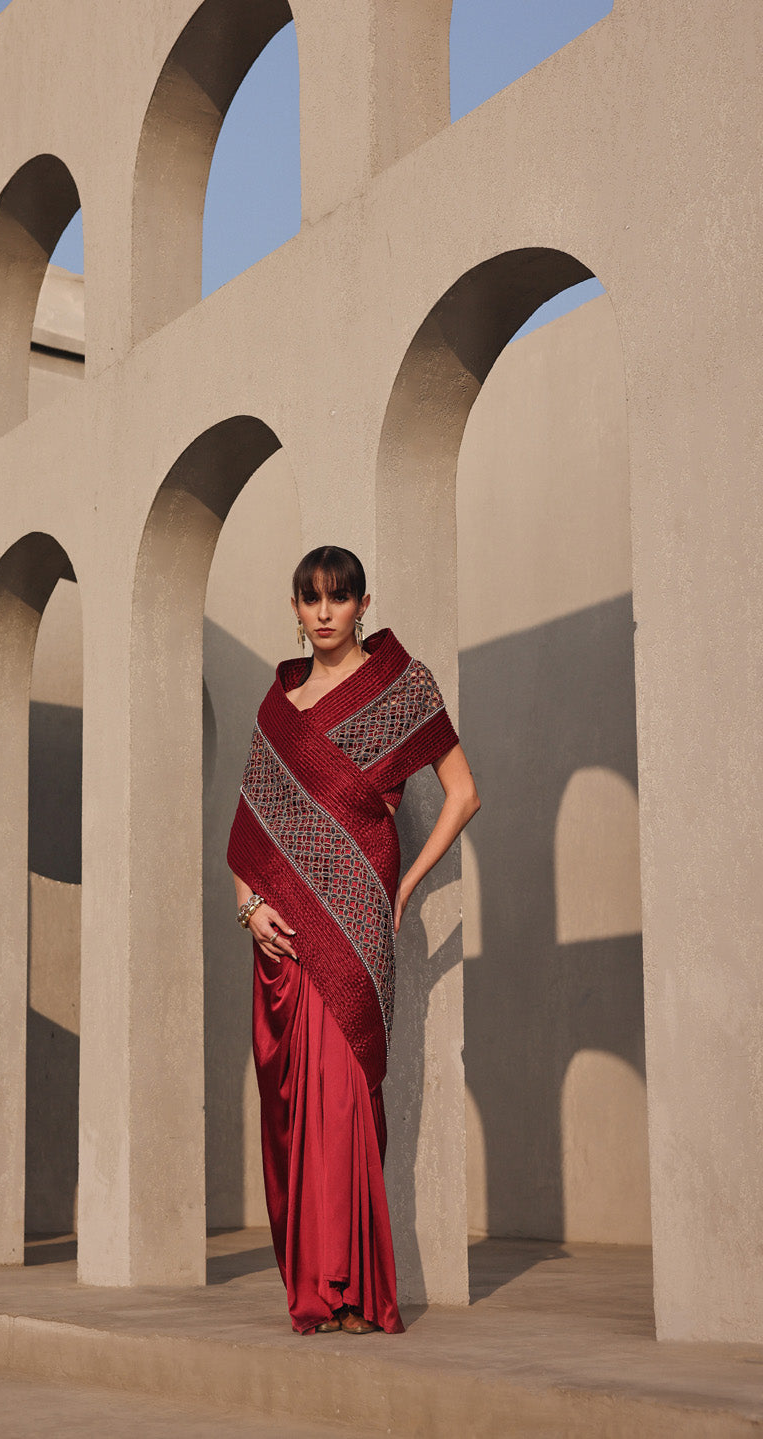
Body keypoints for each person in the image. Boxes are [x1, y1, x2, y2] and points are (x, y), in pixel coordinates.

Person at [227, 545, 480, 1336]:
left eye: (340, 597)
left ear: (364, 603)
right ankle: (315, 1288)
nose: (326, 612)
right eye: (312, 599)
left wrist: (404, 883)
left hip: (361, 914)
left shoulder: (403, 687)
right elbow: (249, 828)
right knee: (300, 1104)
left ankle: (361, 1289)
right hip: (287, 931)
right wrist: (248, 908)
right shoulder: (281, 701)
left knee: (347, 1100)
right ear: (296, 609)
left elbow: (464, 792)